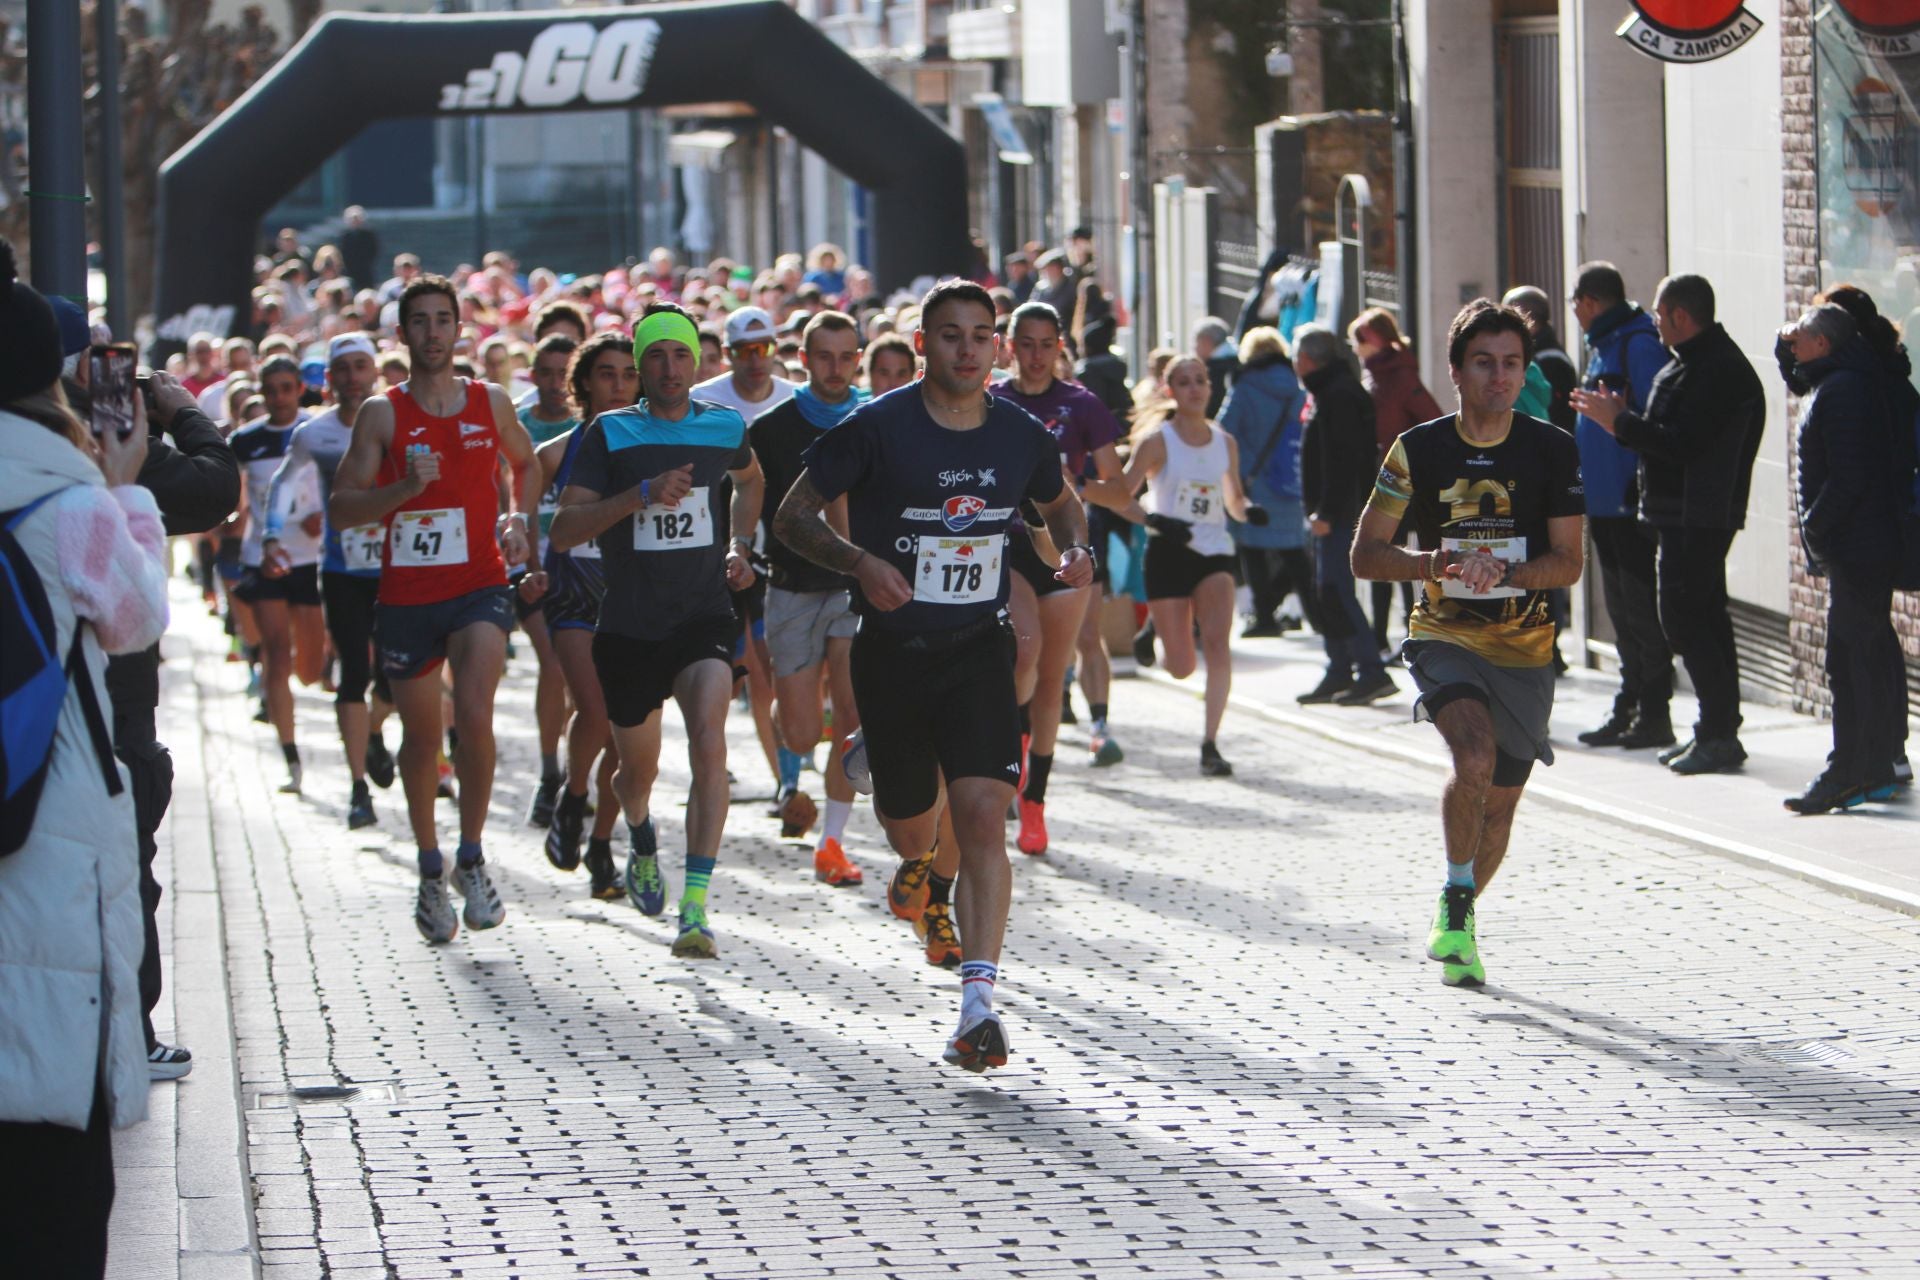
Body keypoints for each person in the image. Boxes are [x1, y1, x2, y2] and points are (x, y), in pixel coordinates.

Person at [775, 279, 1094, 1073]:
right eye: (949, 335)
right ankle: (884, 784)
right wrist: (859, 563)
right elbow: (790, 517)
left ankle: (978, 1007)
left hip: (978, 649)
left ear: (997, 345)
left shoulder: (1019, 434)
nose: (967, 349)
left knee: (985, 814)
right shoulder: (876, 427)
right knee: (910, 822)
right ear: (924, 344)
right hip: (892, 651)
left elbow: (1063, 506)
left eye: (980, 335)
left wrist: (1075, 548)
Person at [0, 246, 172, 1276]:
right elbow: (138, 618)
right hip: (43, 831)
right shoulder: (71, 505)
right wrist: (126, 491)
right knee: (53, 1180)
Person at [1351, 299, 1586, 988]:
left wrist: (1510, 572)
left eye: (1512, 364)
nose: (1500, 377)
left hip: (1526, 647)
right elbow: (1365, 554)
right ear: (1455, 370)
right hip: (1445, 633)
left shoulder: (1553, 448)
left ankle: (1458, 923)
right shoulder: (1418, 449)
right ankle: (1457, 901)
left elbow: (1571, 560)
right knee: (1473, 755)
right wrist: (1436, 564)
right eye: (1484, 363)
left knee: (1502, 804)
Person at [330, 274, 540, 944]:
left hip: (480, 583)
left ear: (458, 329)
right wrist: (399, 490)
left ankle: (471, 856)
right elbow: (343, 506)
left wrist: (517, 518)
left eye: (441, 320)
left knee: (474, 714)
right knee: (423, 739)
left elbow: (526, 464)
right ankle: (429, 865)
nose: (430, 333)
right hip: (408, 595)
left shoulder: (491, 400)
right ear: (402, 334)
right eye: (417, 322)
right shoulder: (382, 415)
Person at [550, 304, 764, 957]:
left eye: (681, 355)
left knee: (709, 747)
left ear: (697, 361)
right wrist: (639, 496)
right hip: (630, 629)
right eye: (656, 357)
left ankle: (694, 907)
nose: (670, 368)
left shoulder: (724, 425)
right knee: (634, 774)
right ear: (640, 367)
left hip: (702, 618)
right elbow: (563, 531)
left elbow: (752, 482)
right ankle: (638, 832)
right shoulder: (610, 433)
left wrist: (740, 544)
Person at [1569, 274, 1765, 776]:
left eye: (1659, 314)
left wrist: (1620, 422)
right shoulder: (1693, 364)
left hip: (1697, 518)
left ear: (1679, 315)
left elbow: (1681, 443)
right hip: (1679, 515)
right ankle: (1716, 729)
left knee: (1687, 620)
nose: (1655, 324)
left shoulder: (1715, 369)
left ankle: (1718, 733)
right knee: (1699, 620)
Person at [992, 300, 1129, 845]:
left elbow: (1117, 489)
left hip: (1067, 552)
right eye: (1025, 344)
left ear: (1059, 349)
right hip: (1007, 548)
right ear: (1009, 347)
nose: (1035, 356)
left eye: (1046, 345)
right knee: (1022, 653)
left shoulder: (1083, 404)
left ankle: (1034, 801)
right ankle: (1010, 766)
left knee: (1051, 679)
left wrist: (1076, 482)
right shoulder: (993, 400)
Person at [750, 311, 870, 885]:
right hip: (791, 586)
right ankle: (795, 752)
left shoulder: (874, 420)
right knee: (801, 731)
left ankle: (832, 843)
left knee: (851, 714)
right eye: (824, 356)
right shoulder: (772, 428)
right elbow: (749, 501)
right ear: (802, 358)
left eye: (847, 356)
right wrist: (734, 550)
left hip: (853, 588)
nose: (836, 368)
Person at [262, 335, 399, 831]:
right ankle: (359, 788)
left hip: (396, 567)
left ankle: (375, 730)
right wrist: (272, 536)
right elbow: (282, 483)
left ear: (375, 371)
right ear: (328, 379)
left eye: (361, 366)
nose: (352, 377)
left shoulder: (398, 422)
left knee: (396, 676)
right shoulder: (314, 434)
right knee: (352, 674)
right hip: (341, 570)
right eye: (342, 369)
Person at [1781, 305, 1905, 813]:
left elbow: (1851, 475)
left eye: (1801, 337)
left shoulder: (1845, 389)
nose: (1793, 346)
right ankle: (1869, 769)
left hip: (1858, 548)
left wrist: (1814, 524)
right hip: (1858, 545)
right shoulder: (1839, 378)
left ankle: (1849, 770)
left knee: (1849, 661)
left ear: (1824, 344)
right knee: (1859, 657)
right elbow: (1793, 371)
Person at [1118, 355, 1265, 775]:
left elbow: (1233, 501)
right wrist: (1153, 519)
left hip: (1214, 552)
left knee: (1218, 644)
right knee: (1181, 667)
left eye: (1200, 380)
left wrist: (1249, 511)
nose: (1195, 389)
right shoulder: (1156, 442)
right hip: (1168, 552)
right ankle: (1154, 634)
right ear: (1170, 390)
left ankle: (1210, 743)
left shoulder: (1225, 442)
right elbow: (1120, 496)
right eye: (1184, 382)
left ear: (1210, 387)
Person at [535, 332, 638, 896]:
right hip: (573, 595)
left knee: (628, 740)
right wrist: (522, 557)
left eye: (628, 375)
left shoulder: (658, 449)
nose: (618, 386)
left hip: (633, 600)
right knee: (595, 711)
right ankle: (574, 794)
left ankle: (601, 842)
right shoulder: (556, 453)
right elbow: (519, 511)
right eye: (606, 374)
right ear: (584, 384)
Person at [1572, 261, 1675, 750]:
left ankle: (1654, 712)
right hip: (1603, 501)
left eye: (1577, 303)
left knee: (1639, 610)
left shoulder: (1637, 343)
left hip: (1628, 502)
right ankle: (1629, 704)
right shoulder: (1603, 344)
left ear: (1589, 302)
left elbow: (1656, 420)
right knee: (1620, 609)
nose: (1575, 313)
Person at [1294, 326, 1397, 706]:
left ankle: (1370, 669)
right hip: (1332, 513)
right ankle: (1339, 668)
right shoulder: (1330, 389)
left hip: (1340, 515)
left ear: (1306, 360)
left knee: (1337, 591)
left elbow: (1343, 461)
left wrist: (1327, 511)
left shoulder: (1338, 394)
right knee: (1327, 592)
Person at [232, 355, 321, 792]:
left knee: (310, 667)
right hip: (263, 557)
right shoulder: (245, 440)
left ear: (299, 389)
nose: (280, 397)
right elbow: (236, 492)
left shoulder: (319, 431)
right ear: (262, 392)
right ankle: (291, 757)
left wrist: (324, 515)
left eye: (288, 388)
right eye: (272, 389)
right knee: (277, 657)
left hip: (314, 559)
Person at [1349, 307, 1444, 656]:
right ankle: (1378, 635)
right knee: (1377, 552)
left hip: (1404, 481)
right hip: (1379, 478)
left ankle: (1408, 629)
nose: (1357, 346)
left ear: (1381, 338)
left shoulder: (1402, 376)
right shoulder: (1373, 375)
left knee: (1400, 556)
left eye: (1362, 338)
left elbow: (1432, 419)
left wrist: (1409, 460)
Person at [516, 333, 582, 828]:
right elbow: (505, 492)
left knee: (587, 683)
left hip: (588, 565)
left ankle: (582, 775)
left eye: (566, 373)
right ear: (533, 375)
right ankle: (548, 772)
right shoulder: (518, 425)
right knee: (553, 663)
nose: (556, 383)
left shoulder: (593, 425)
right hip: (536, 566)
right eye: (547, 373)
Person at [1217, 326, 1311, 637]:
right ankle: (1314, 611)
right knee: (1294, 549)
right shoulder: (1298, 388)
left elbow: (1224, 429)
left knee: (1252, 548)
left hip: (1253, 480)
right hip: (1291, 477)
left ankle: (1265, 615)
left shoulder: (1244, 386)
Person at [693, 306, 798, 424]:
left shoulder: (796, 399)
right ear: (728, 353)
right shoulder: (699, 400)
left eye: (764, 348)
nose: (755, 361)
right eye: (743, 350)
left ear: (775, 350)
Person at [1501, 286, 1577, 430]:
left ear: (1527, 318)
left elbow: (1553, 411)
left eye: (1510, 318)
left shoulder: (1551, 360)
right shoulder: (1533, 354)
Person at [1192, 317, 1239, 417]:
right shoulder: (1237, 362)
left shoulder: (1214, 370)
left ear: (1207, 341)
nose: (1194, 347)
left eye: (1197, 342)